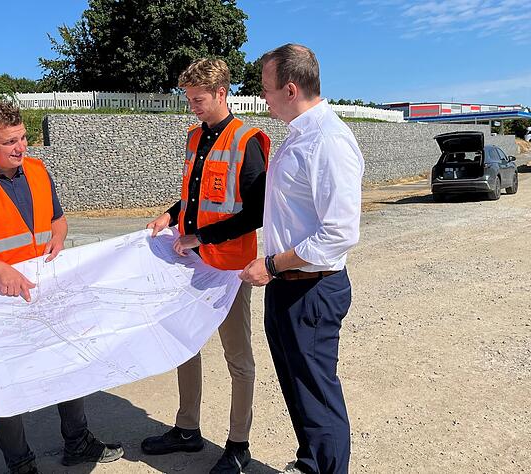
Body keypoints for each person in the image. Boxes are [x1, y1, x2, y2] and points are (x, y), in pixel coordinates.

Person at [0, 100, 123, 474]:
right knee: (4, 384)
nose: (21, 148)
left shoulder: (38, 170)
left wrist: (59, 236)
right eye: (10, 142)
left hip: (46, 293)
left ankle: (78, 441)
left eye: (23, 138)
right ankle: (21, 463)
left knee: (67, 365)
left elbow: (58, 220)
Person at [240, 44, 365, 473]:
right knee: (299, 390)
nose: (264, 98)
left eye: (267, 89)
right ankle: (311, 462)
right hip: (287, 286)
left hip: (311, 287)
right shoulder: (299, 134)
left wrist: (273, 264)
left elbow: (339, 232)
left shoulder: (328, 141)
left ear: (290, 88)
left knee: (317, 394)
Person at [142, 58, 270, 473]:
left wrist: (202, 237)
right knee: (186, 344)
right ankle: (187, 429)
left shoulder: (247, 139)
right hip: (195, 262)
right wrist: (170, 214)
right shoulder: (195, 137)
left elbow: (256, 211)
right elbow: (197, 197)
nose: (192, 106)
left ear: (221, 94)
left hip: (230, 267)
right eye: (188, 99)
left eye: (198, 99)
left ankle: (238, 444)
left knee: (238, 357)